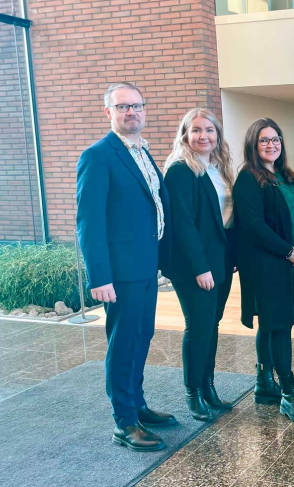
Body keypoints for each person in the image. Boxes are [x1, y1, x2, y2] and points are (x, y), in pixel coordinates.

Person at [76, 82, 174, 452]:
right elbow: (89, 222)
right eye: (122, 107)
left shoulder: (143, 152)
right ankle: (124, 422)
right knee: (123, 344)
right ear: (109, 113)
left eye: (136, 106)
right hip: (120, 273)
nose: (131, 112)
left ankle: (138, 405)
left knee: (141, 337)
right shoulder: (98, 156)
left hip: (146, 268)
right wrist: (99, 276)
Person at [233, 118, 294, 425]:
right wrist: (288, 251)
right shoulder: (248, 178)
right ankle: (288, 395)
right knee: (279, 325)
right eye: (264, 140)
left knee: (271, 323)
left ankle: (265, 384)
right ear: (253, 145)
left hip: (287, 261)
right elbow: (254, 226)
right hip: (265, 263)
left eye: (275, 139)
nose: (271, 145)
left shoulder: (285, 174)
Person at [163, 108, 236, 421]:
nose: (203, 136)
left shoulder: (218, 168)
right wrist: (200, 268)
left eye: (209, 130)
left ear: (217, 135)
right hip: (195, 265)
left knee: (211, 325)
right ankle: (193, 393)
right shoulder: (181, 171)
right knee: (198, 327)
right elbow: (183, 224)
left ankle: (208, 387)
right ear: (185, 135)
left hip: (220, 261)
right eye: (196, 130)